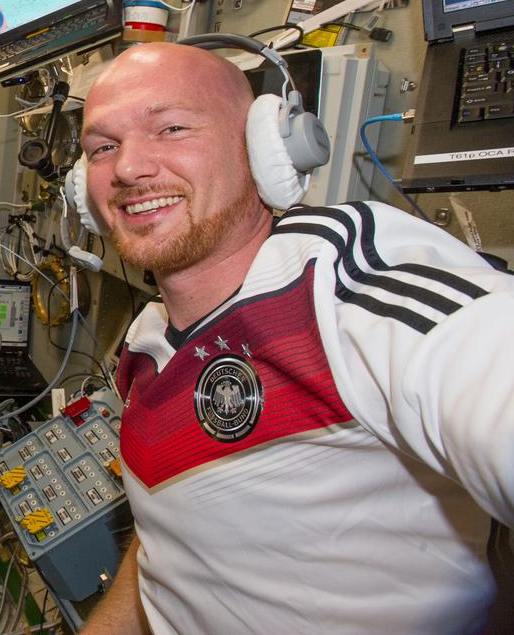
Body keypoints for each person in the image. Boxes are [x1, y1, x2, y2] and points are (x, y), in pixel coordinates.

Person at [75, 43, 514, 634]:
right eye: (104, 147)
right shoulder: (148, 341)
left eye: (172, 128)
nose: (128, 167)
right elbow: (171, 544)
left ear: (264, 147)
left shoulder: (343, 290)